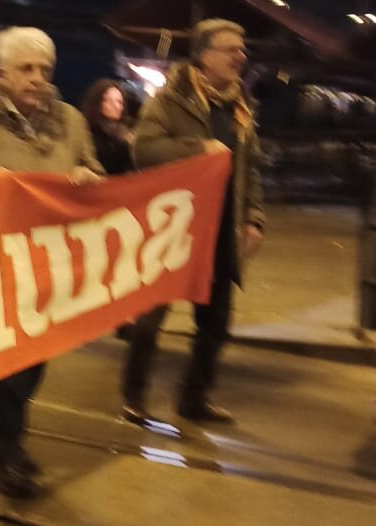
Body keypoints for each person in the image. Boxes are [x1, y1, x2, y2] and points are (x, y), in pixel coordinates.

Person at [0, 27, 104, 499]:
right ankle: (3, 454)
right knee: (13, 365)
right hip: (3, 267)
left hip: (54, 264)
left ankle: (12, 442)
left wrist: (89, 175)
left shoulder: (71, 121)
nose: (37, 78)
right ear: (2, 74)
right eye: (26, 69)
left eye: (44, 69)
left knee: (35, 363)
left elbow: (95, 169)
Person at [122, 19, 266, 428]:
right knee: (150, 320)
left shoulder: (241, 106)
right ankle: (134, 397)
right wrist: (197, 149)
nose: (240, 56)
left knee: (216, 325)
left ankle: (194, 398)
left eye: (242, 49)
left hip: (221, 230)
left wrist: (254, 217)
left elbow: (251, 167)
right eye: (230, 49)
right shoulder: (171, 99)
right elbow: (144, 150)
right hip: (174, 228)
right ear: (204, 56)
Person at [82, 79, 135, 176]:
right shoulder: (88, 134)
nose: (115, 106)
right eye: (107, 100)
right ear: (97, 102)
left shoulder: (127, 134)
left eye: (119, 102)